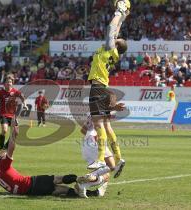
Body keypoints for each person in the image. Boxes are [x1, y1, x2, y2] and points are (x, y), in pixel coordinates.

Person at [0, 118, 104, 198]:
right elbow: (11, 148)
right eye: (4, 155)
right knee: (58, 179)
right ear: (2, 160)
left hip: (30, 191)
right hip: (31, 183)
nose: (5, 154)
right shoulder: (4, 166)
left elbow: (6, 150)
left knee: (60, 190)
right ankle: (82, 179)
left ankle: (94, 193)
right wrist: (13, 131)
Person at [87, 0, 130, 171]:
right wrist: (124, 17)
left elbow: (111, 29)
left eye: (117, 39)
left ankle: (100, 159)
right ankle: (118, 157)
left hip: (97, 88)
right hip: (104, 88)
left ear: (116, 43)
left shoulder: (109, 47)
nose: (116, 37)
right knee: (106, 125)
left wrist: (119, 12)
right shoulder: (114, 52)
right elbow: (116, 30)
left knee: (98, 124)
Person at [0, 74, 28, 150]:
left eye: (10, 82)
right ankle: (1, 147)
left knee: (15, 133)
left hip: (13, 115)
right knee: (4, 130)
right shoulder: (0, 92)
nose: (9, 83)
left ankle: (5, 147)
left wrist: (25, 104)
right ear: (4, 83)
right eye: (7, 82)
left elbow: (23, 98)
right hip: (4, 114)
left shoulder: (15, 92)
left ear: (12, 83)